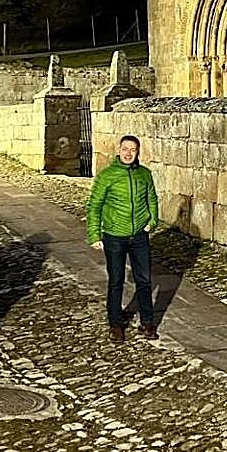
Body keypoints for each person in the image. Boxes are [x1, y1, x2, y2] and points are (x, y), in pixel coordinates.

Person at [87, 134, 159, 343]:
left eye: (133, 150)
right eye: (125, 149)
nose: (129, 153)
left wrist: (152, 221)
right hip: (114, 236)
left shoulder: (144, 174)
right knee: (116, 281)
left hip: (139, 235)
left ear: (138, 152)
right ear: (119, 150)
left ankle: (147, 322)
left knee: (144, 280)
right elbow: (94, 206)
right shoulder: (107, 175)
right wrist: (94, 234)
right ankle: (115, 324)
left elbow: (152, 198)